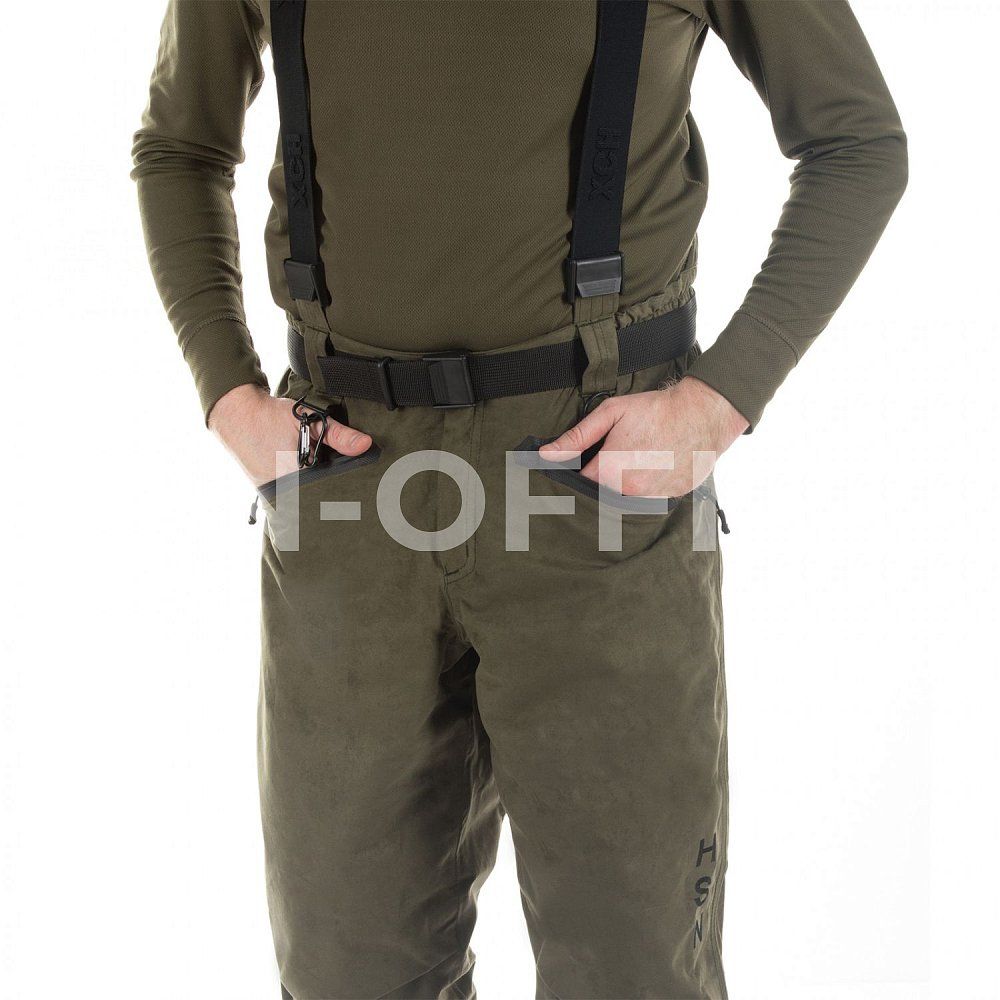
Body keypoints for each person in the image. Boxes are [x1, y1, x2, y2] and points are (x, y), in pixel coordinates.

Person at [132, 2, 906, 997]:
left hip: (591, 475)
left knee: (633, 967)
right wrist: (227, 392)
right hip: (348, 476)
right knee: (345, 969)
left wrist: (722, 398)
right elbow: (179, 146)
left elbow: (857, 140)